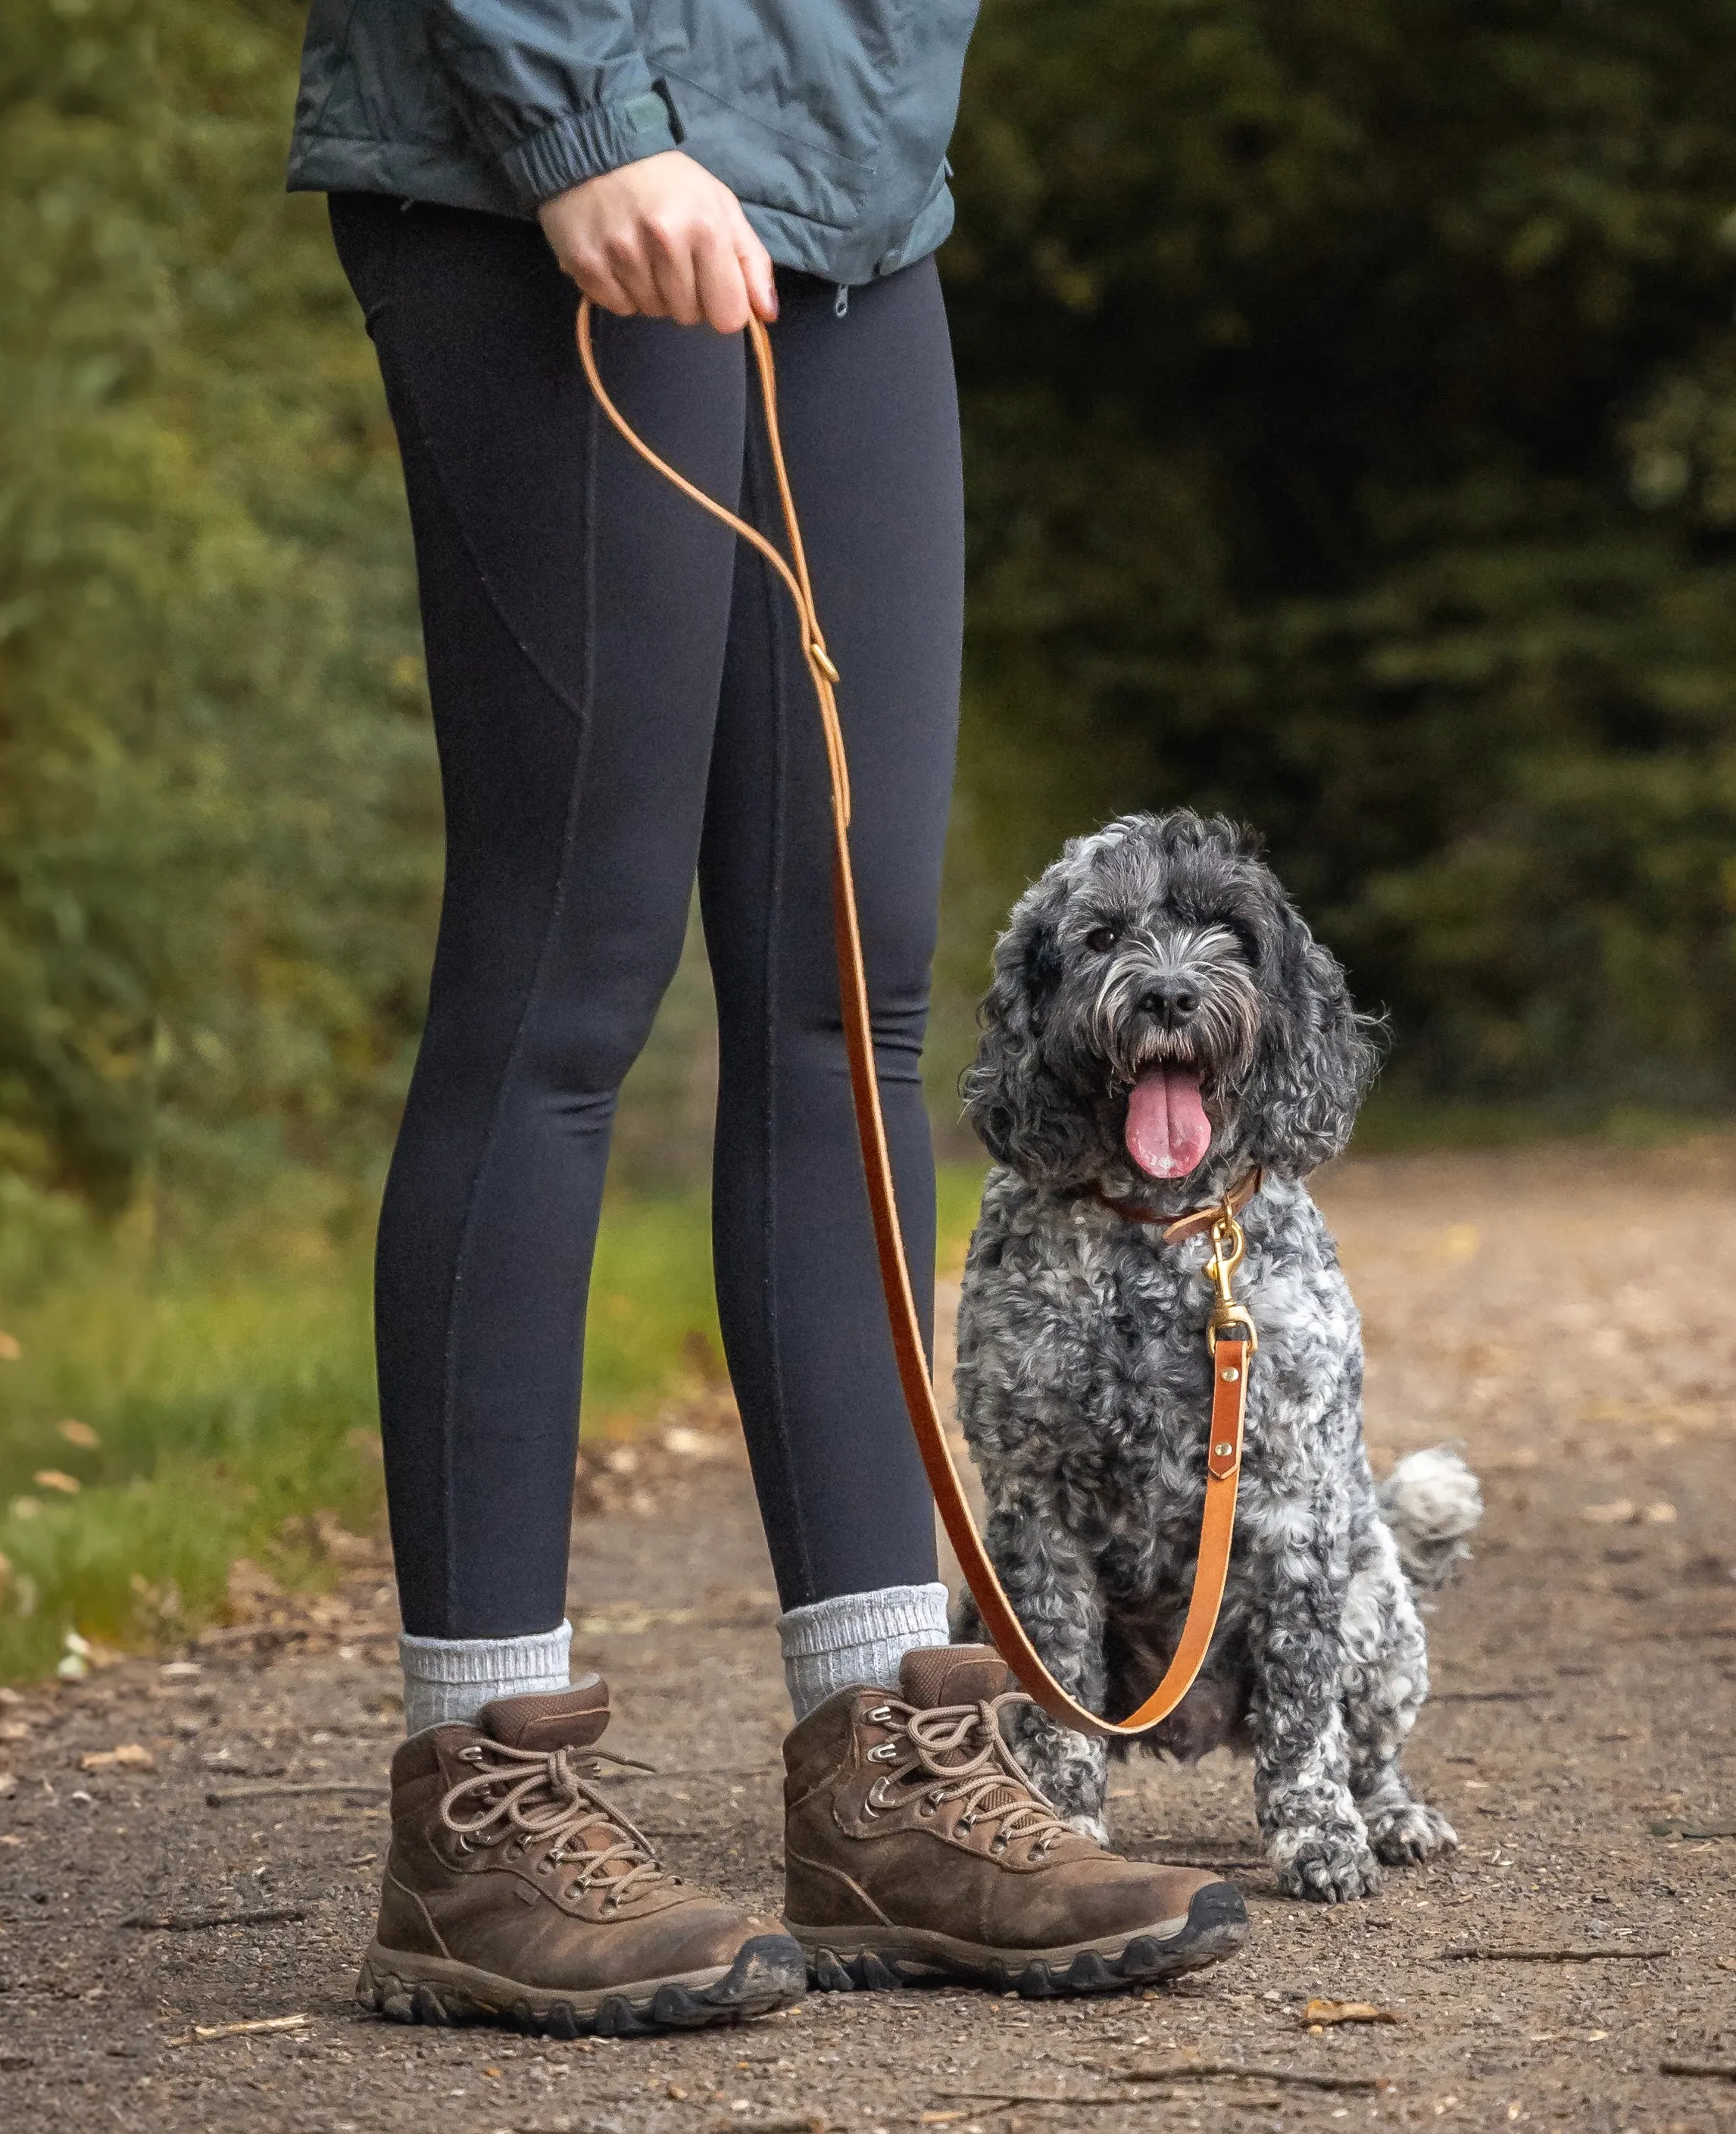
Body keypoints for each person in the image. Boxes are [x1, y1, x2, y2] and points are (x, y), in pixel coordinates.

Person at [288, 0, 1249, 2031]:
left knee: (842, 996)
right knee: (563, 980)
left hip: (851, 199)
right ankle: (480, 1804)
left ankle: (884, 1756)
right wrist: (575, 123)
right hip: (554, 169)